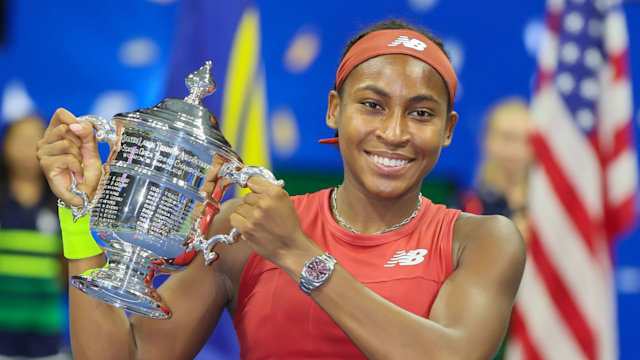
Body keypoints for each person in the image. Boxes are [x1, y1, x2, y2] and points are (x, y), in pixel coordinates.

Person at [36, 19, 526, 359]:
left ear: (448, 129)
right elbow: (130, 357)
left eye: (421, 113)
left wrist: (297, 253)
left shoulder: (482, 240)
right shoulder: (245, 231)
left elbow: (450, 355)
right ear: (334, 109)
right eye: (372, 105)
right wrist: (81, 215)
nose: (395, 132)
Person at [0, 115, 69, 359]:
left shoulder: (61, 201)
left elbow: (67, 261)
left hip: (44, 327)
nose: (27, 149)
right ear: (5, 144)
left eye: (35, 141)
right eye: (20, 140)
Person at [463, 98, 532, 243]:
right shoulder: (468, 207)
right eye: (507, 138)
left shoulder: (550, 206)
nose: (515, 150)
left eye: (524, 140)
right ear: (486, 140)